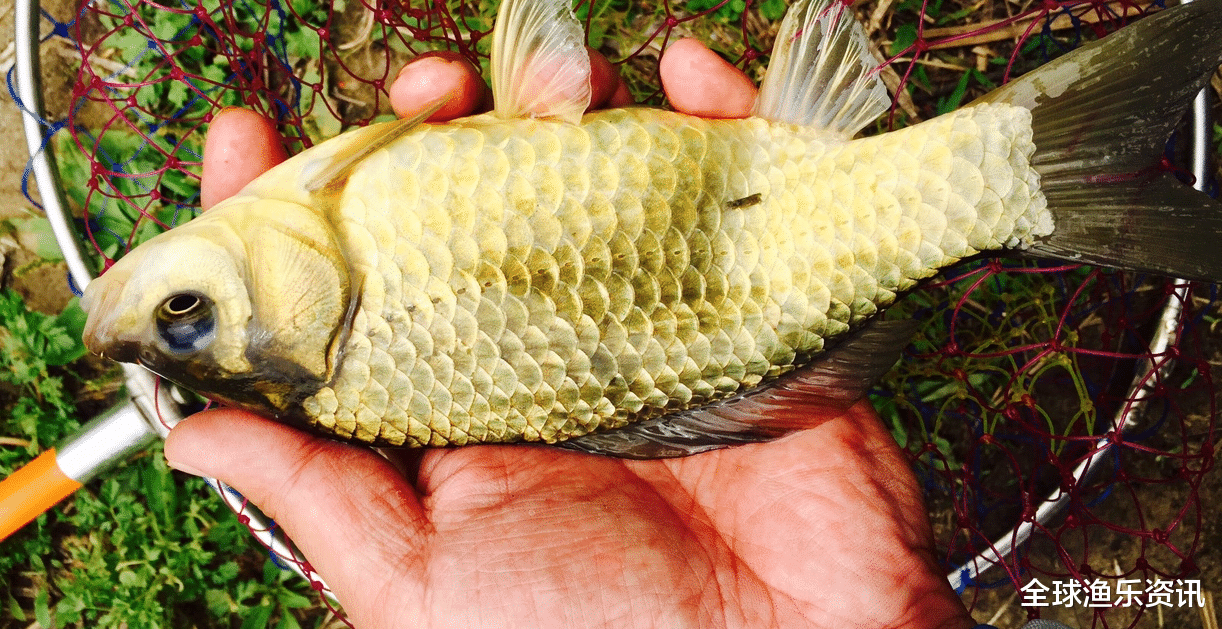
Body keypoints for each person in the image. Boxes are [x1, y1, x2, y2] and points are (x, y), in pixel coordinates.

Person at [164, 38, 978, 629]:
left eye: (184, 310)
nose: (178, 304)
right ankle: (986, 175)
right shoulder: (321, 214)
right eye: (185, 314)